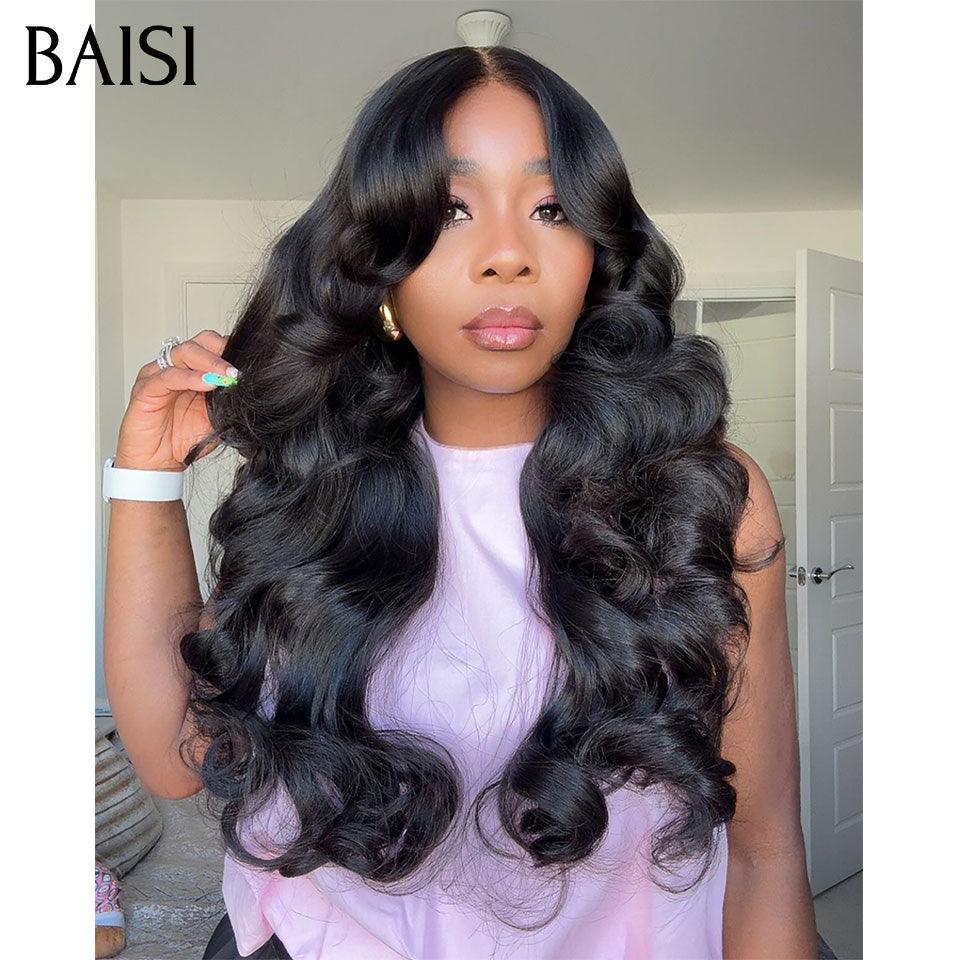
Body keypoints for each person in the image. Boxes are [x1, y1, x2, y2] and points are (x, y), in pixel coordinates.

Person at [102, 45, 818, 960]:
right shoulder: (313, 493)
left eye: (551, 208)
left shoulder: (701, 499)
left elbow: (763, 845)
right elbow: (174, 757)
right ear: (381, 267)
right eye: (450, 210)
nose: (508, 256)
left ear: (596, 256)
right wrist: (144, 478)